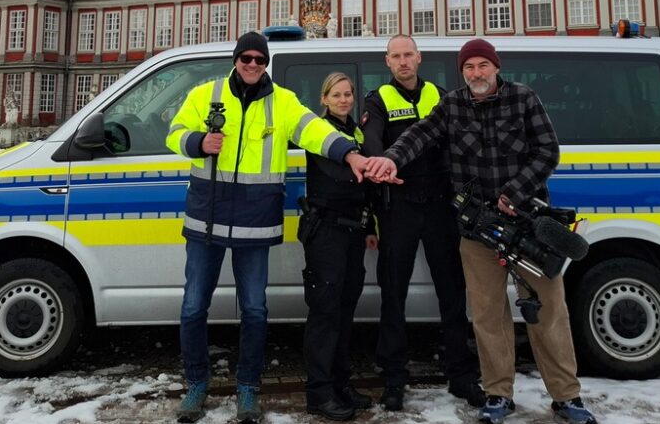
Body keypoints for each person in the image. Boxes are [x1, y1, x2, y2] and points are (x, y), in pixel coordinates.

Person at [365, 39, 598, 424]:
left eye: (482, 66)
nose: (476, 73)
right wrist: (390, 159)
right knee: (489, 317)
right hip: (478, 229)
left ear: (495, 67)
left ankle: (566, 396)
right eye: (469, 67)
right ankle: (498, 395)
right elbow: (420, 135)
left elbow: (548, 151)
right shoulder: (452, 104)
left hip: (528, 225)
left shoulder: (524, 98)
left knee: (549, 313)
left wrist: (515, 191)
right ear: (462, 72)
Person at [165, 32, 370, 424]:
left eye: (260, 59)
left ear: (266, 63)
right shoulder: (205, 94)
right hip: (206, 218)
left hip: (254, 222)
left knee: (256, 311)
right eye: (247, 57)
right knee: (193, 308)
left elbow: (316, 130)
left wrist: (350, 153)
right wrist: (197, 141)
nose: (253, 64)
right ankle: (195, 385)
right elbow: (173, 133)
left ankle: (248, 388)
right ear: (236, 58)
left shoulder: (284, 102)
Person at [360, 35, 482, 411]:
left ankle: (462, 375)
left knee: (452, 291)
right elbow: (372, 141)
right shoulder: (377, 100)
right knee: (393, 295)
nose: (402, 61)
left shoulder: (441, 96)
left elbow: (462, 143)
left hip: (441, 207)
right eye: (395, 56)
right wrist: (383, 166)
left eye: (408, 55)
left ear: (419, 58)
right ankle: (394, 379)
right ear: (387, 61)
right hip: (399, 206)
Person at [300, 73, 378, 421]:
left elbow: (363, 193)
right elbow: (343, 179)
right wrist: (373, 171)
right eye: (337, 95)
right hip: (326, 232)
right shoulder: (321, 132)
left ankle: (340, 384)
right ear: (324, 99)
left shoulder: (356, 134)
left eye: (348, 94)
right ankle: (319, 392)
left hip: (353, 233)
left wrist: (370, 225)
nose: (345, 100)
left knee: (345, 313)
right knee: (325, 314)